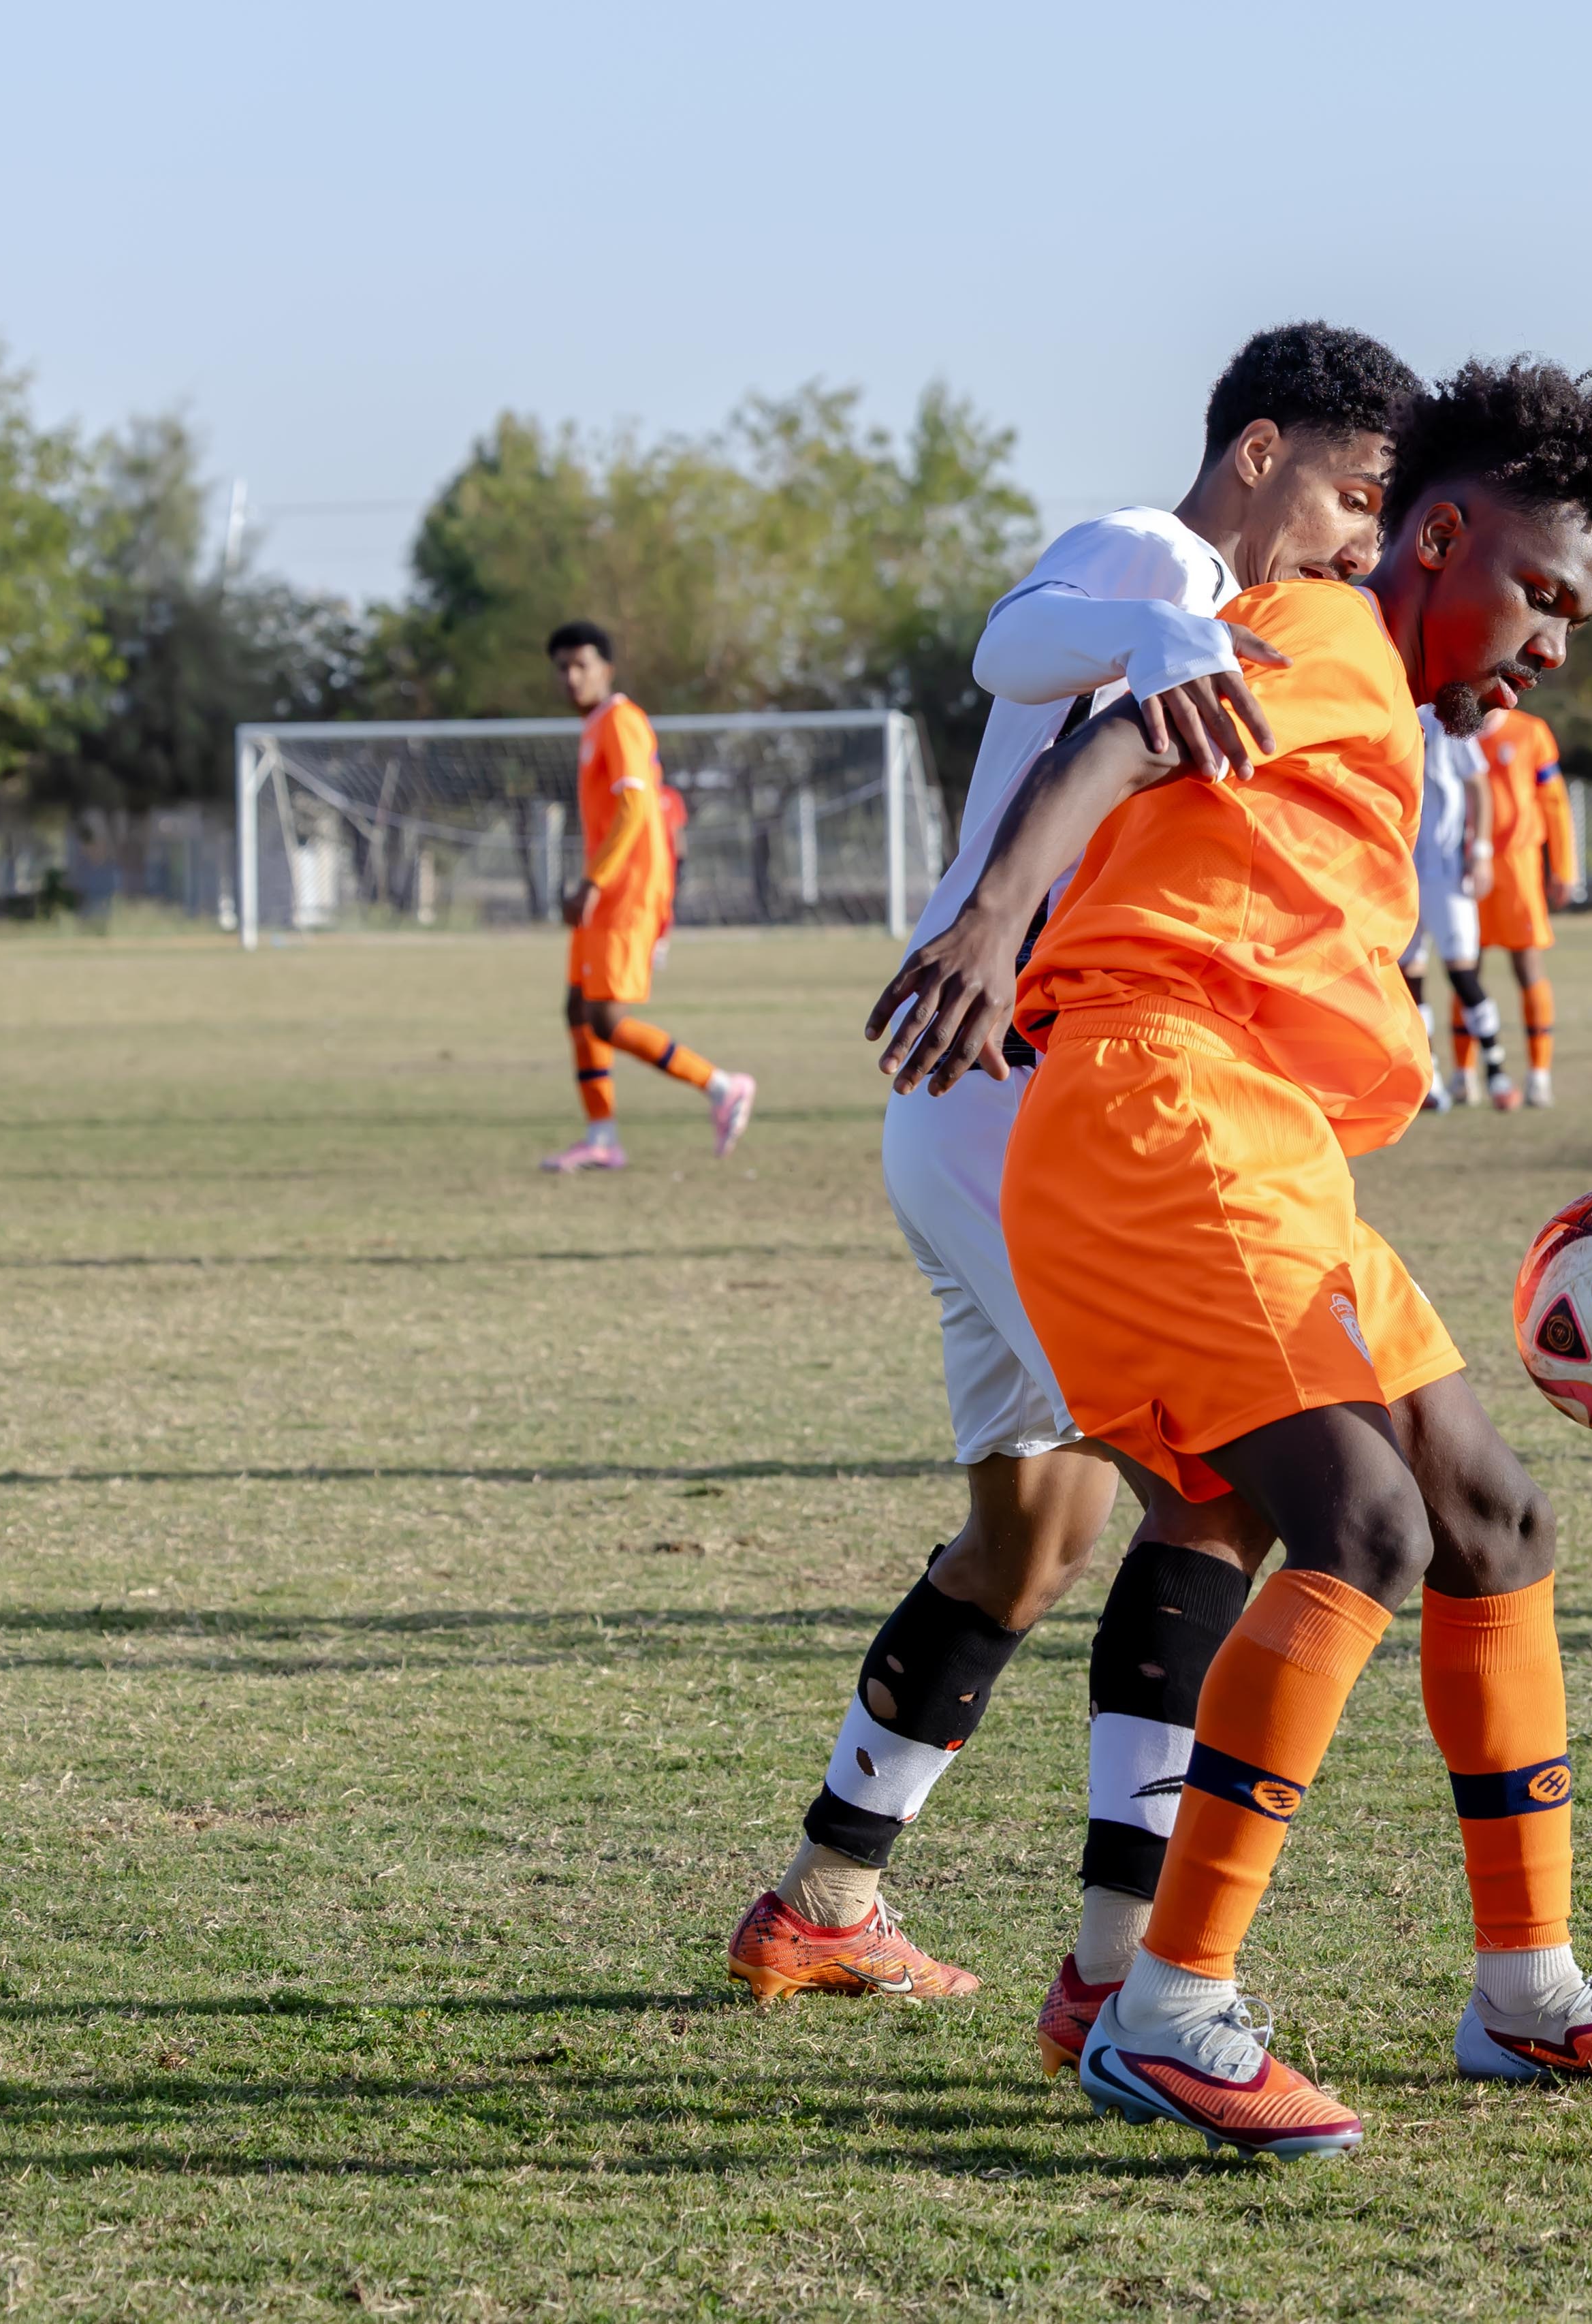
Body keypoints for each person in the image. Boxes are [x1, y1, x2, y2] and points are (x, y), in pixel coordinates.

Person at [999, 358, 1592, 2158]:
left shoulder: (1377, 697)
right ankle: (1163, 2010)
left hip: (1271, 1145)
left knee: (1489, 1514)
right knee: (1364, 1524)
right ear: (1435, 534)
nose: (1554, 640)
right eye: (1544, 594)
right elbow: (1117, 729)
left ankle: (1528, 1991)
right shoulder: (1324, 630)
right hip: (1161, 1113)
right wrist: (978, 918)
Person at [722, 322, 1415, 2007]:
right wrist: (1151, 626)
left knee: (1029, 1536)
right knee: (1219, 1491)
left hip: (975, 1112)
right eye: (1346, 495)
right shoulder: (1157, 557)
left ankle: (825, 1895)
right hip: (1024, 1098)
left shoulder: (1256, 629)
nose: (1360, 546)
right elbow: (1012, 640)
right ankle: (1119, 1969)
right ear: (1259, 451)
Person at [537, 621, 754, 1173]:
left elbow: (636, 809)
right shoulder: (593, 728)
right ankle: (602, 1136)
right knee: (577, 1009)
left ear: (606, 669)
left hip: (625, 894)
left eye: (581, 664)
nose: (571, 676)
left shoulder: (620, 720)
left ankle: (722, 1085)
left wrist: (594, 882)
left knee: (606, 1019)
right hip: (607, 892)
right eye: (562, 667)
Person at [1463, 698, 1574, 1108]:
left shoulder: (1531, 732)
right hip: (1467, 863)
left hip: (1519, 865)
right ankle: (1463, 1075)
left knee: (1527, 965)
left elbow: (1555, 803)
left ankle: (1539, 1075)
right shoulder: (1454, 730)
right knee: (1464, 965)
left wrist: (1563, 868)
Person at [1403, 712, 1496, 1112]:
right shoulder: (1388, 710)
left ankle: (1496, 1070)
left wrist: (1481, 851)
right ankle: (1432, 1079)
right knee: (1410, 978)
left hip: (1446, 869)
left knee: (1462, 972)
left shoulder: (1443, 719)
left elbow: (1478, 783)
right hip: (1400, 868)